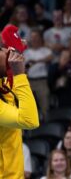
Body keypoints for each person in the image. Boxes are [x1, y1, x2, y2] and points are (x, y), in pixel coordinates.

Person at [0, 48, 40, 178]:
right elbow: (30, 120)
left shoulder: (3, 85)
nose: (8, 50)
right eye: (1, 49)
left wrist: (17, 49)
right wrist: (20, 75)